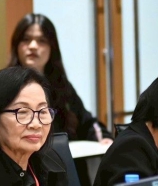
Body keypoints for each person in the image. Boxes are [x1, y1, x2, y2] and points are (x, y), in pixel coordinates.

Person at [7, 13, 112, 143]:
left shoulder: (62, 86)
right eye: (26, 39)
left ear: (52, 47)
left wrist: (104, 138)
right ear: (16, 45)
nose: (33, 46)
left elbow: (88, 123)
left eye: (42, 40)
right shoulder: (3, 86)